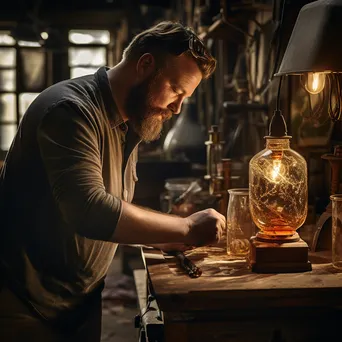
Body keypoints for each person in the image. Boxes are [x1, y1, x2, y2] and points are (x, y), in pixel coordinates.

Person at [0, 21, 225, 341]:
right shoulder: (71, 111)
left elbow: (116, 211)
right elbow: (90, 209)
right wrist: (185, 227)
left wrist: (161, 237)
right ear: (146, 65)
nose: (177, 108)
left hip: (79, 304)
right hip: (25, 306)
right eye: (176, 90)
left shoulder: (125, 123)